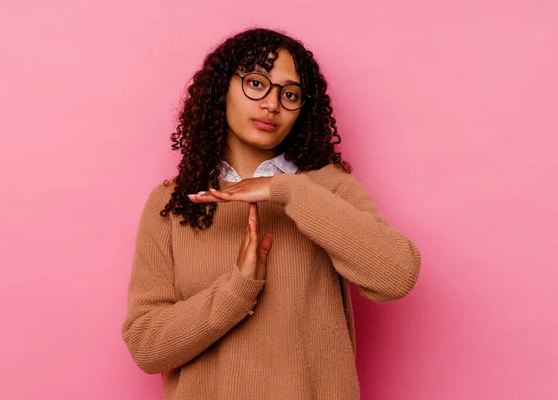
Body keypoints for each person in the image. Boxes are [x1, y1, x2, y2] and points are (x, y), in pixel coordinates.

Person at [121, 27, 421, 400]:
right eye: (257, 83)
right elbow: (147, 347)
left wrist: (287, 190)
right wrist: (237, 290)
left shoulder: (326, 188)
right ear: (222, 89)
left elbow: (395, 275)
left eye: (290, 94)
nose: (272, 104)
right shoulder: (172, 204)